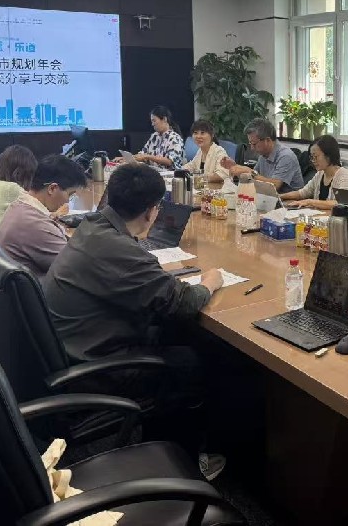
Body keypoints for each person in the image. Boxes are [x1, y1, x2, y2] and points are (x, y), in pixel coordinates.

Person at [42, 163, 226, 479]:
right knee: (189, 361)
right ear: (152, 211)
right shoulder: (118, 249)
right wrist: (210, 281)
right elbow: (184, 302)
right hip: (92, 367)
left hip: (69, 348)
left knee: (173, 333)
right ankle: (180, 466)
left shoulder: (92, 228)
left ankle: (158, 444)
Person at [0, 154, 88, 281]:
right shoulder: (35, 223)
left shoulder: (20, 207)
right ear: (52, 188)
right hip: (41, 290)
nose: (67, 202)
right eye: (70, 195)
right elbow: (78, 269)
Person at [221, 118, 304, 192]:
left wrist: (249, 172)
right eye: (250, 143)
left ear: (267, 140)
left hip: (291, 202)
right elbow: (253, 179)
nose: (252, 148)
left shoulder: (285, 156)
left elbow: (274, 186)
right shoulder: (263, 155)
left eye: (254, 144)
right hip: (269, 199)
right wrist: (235, 167)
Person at [281, 135, 348, 210]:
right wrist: (280, 196)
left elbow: (340, 203)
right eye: (311, 157)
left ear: (329, 155)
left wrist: (310, 202)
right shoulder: (320, 174)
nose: (313, 161)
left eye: (315, 157)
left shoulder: (345, 175)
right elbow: (302, 193)